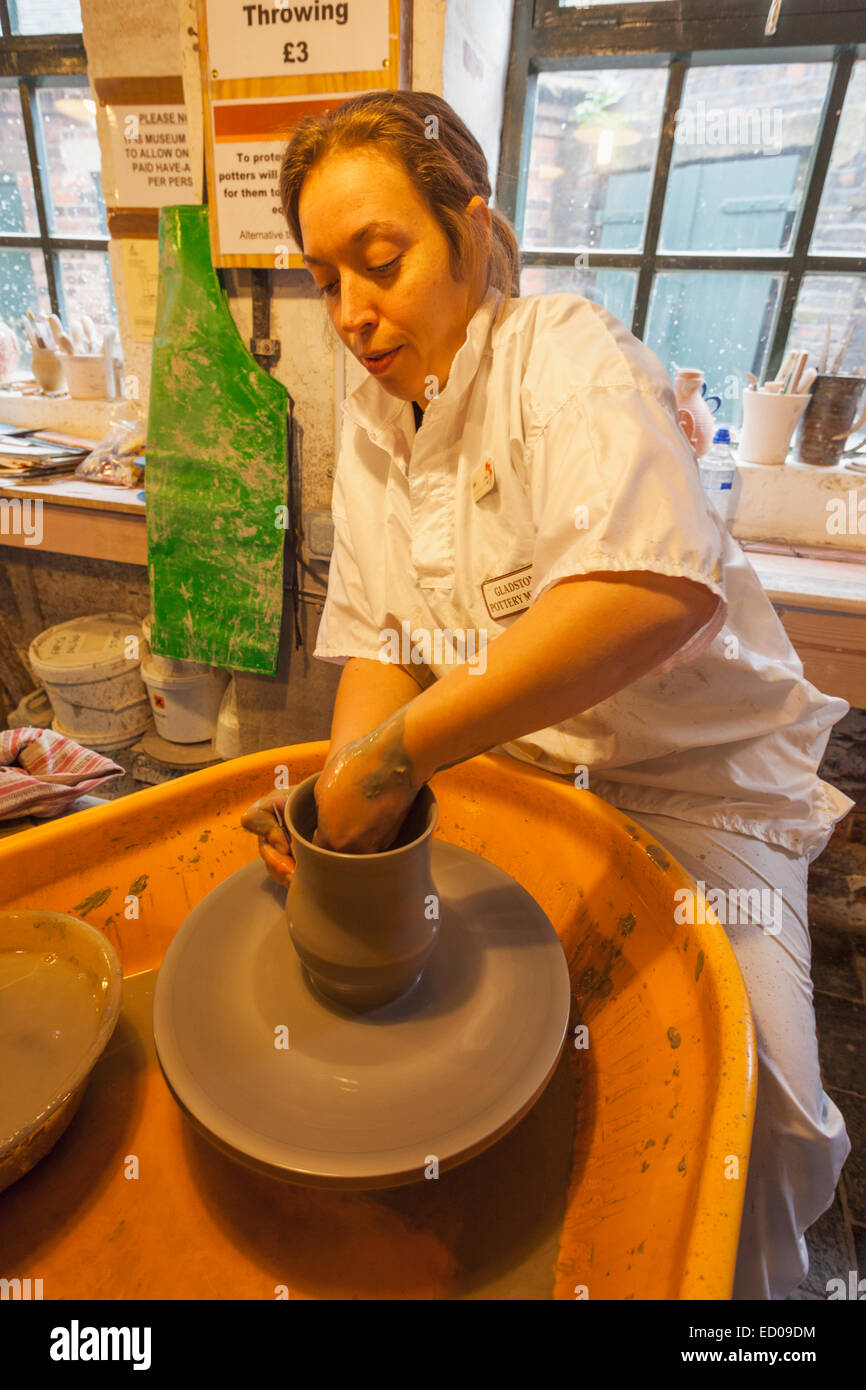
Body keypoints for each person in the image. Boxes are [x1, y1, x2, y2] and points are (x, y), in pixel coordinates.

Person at [241, 89, 853, 1300]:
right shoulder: (372, 418)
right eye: (325, 280)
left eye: (381, 260)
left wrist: (394, 761)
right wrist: (347, 821)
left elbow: (650, 597)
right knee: (464, 1083)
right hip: (518, 776)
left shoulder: (566, 359)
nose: (354, 314)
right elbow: (379, 642)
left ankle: (751, 1313)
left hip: (694, 793)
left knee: (752, 1116)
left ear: (470, 233)